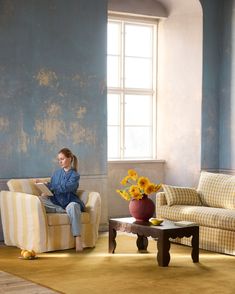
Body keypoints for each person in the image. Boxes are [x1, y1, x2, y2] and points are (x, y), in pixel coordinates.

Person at [36, 148, 85, 252]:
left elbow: (67, 187)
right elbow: (52, 186)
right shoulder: (56, 173)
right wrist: (44, 186)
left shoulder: (75, 175)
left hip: (69, 202)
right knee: (38, 200)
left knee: (74, 206)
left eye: (62, 159)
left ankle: (78, 238)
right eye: (59, 159)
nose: (60, 161)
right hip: (56, 203)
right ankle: (63, 211)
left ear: (70, 159)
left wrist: (52, 187)